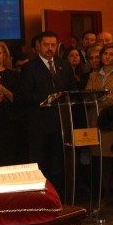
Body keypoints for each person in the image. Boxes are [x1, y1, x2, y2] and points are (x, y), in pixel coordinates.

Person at [19, 31, 77, 199]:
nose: (50, 48)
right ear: (38, 46)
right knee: (41, 164)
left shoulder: (64, 65)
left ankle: (59, 198)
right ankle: (42, 198)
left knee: (59, 164)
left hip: (61, 123)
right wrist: (46, 98)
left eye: (53, 45)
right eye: (46, 45)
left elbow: (72, 89)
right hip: (40, 125)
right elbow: (24, 95)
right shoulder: (29, 67)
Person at [85, 44, 113, 210]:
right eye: (104, 54)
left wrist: (101, 96)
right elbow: (88, 95)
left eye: (111, 54)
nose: (107, 57)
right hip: (96, 119)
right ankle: (107, 196)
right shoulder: (94, 74)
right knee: (103, 161)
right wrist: (105, 94)